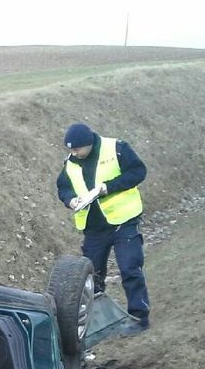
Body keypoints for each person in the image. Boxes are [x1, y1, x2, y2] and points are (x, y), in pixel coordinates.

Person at [57, 122, 151, 333]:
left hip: (123, 221)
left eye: (77, 148)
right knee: (92, 278)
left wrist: (108, 188)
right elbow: (63, 187)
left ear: (89, 143)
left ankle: (139, 317)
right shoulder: (70, 163)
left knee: (130, 268)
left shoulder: (116, 148)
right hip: (93, 228)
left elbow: (138, 172)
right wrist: (70, 200)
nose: (74, 153)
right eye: (70, 149)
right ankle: (94, 323)